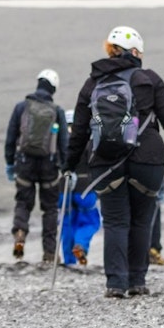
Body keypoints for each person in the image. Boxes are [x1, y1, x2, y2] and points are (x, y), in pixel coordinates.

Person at [64, 26, 164, 298]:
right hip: (147, 160)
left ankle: (115, 283)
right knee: (141, 220)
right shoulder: (148, 79)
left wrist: (69, 164)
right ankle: (137, 280)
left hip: (105, 162)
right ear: (136, 51)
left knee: (115, 221)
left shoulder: (92, 83)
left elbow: (79, 131)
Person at [4, 69, 69, 264]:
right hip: (49, 167)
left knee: (23, 203)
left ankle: (20, 233)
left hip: (24, 163)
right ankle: (49, 254)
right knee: (50, 209)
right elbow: (64, 144)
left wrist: (10, 163)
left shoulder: (21, 107)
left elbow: (10, 138)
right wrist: (66, 167)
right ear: (54, 88)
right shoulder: (57, 111)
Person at [59, 111, 101, 266]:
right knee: (91, 222)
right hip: (86, 189)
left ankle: (69, 260)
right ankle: (80, 245)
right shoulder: (89, 141)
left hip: (64, 190)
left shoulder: (61, 141)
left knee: (67, 224)